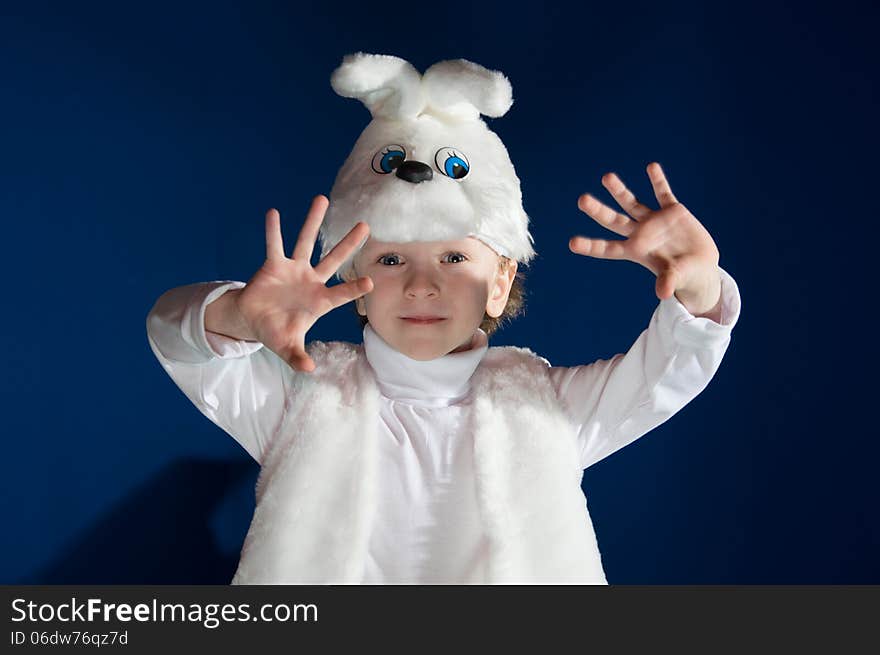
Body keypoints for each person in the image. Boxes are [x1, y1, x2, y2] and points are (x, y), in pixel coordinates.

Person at [145, 53, 741, 584]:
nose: (421, 284)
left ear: (500, 280)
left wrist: (699, 283)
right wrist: (241, 317)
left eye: (454, 257)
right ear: (356, 281)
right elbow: (175, 337)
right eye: (392, 258)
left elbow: (668, 372)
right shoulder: (303, 397)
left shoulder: (546, 407)